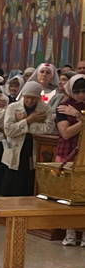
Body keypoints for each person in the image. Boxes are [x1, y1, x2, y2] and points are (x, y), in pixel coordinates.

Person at [1, 81, 54, 196]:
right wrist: (29, 120)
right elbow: (9, 130)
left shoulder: (45, 109)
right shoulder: (13, 108)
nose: (30, 101)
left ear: (38, 98)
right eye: (27, 97)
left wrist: (27, 123)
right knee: (12, 186)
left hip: (33, 150)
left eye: (33, 98)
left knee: (29, 186)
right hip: (16, 150)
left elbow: (48, 129)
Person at [55, 73, 85, 246]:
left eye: (83, 91)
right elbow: (66, 133)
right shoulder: (63, 106)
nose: (80, 95)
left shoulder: (75, 110)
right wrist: (82, 120)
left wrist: (79, 116)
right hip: (68, 152)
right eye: (77, 91)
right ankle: (70, 232)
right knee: (68, 194)